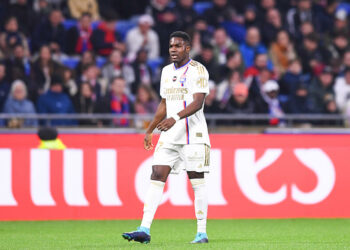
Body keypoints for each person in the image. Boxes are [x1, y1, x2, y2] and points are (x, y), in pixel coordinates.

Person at [122, 31, 210, 244]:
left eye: (178, 46)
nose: (173, 49)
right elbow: (164, 103)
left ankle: (201, 232)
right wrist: (150, 129)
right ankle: (144, 229)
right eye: (171, 46)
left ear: (187, 48)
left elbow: (198, 102)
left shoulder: (198, 70)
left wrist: (175, 118)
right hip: (170, 135)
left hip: (193, 135)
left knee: (197, 181)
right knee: (156, 174)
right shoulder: (165, 71)